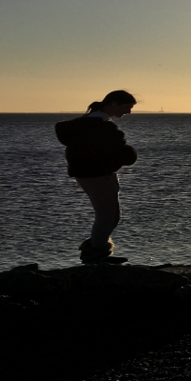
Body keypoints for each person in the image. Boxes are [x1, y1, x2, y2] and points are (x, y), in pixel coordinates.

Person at [55, 90, 139, 263]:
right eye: (127, 107)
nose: (129, 112)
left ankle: (95, 248)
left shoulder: (80, 125)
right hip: (100, 176)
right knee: (108, 216)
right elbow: (125, 156)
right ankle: (96, 253)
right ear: (113, 104)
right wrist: (127, 153)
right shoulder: (104, 128)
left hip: (86, 175)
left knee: (110, 215)